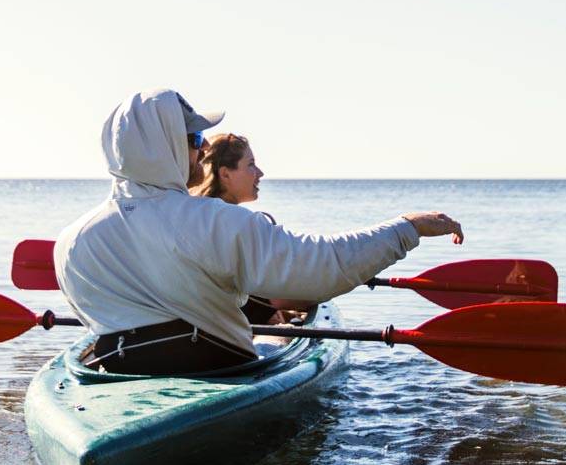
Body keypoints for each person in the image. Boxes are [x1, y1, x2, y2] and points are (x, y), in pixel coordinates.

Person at [54, 88, 463, 376]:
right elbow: (324, 267)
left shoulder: (71, 241)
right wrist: (406, 229)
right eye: (195, 139)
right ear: (170, 148)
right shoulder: (216, 221)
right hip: (218, 367)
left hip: (119, 369)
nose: (201, 149)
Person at [190, 133, 299, 325]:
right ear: (225, 174)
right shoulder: (233, 225)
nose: (260, 173)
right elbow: (280, 297)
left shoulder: (193, 215)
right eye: (251, 164)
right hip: (226, 327)